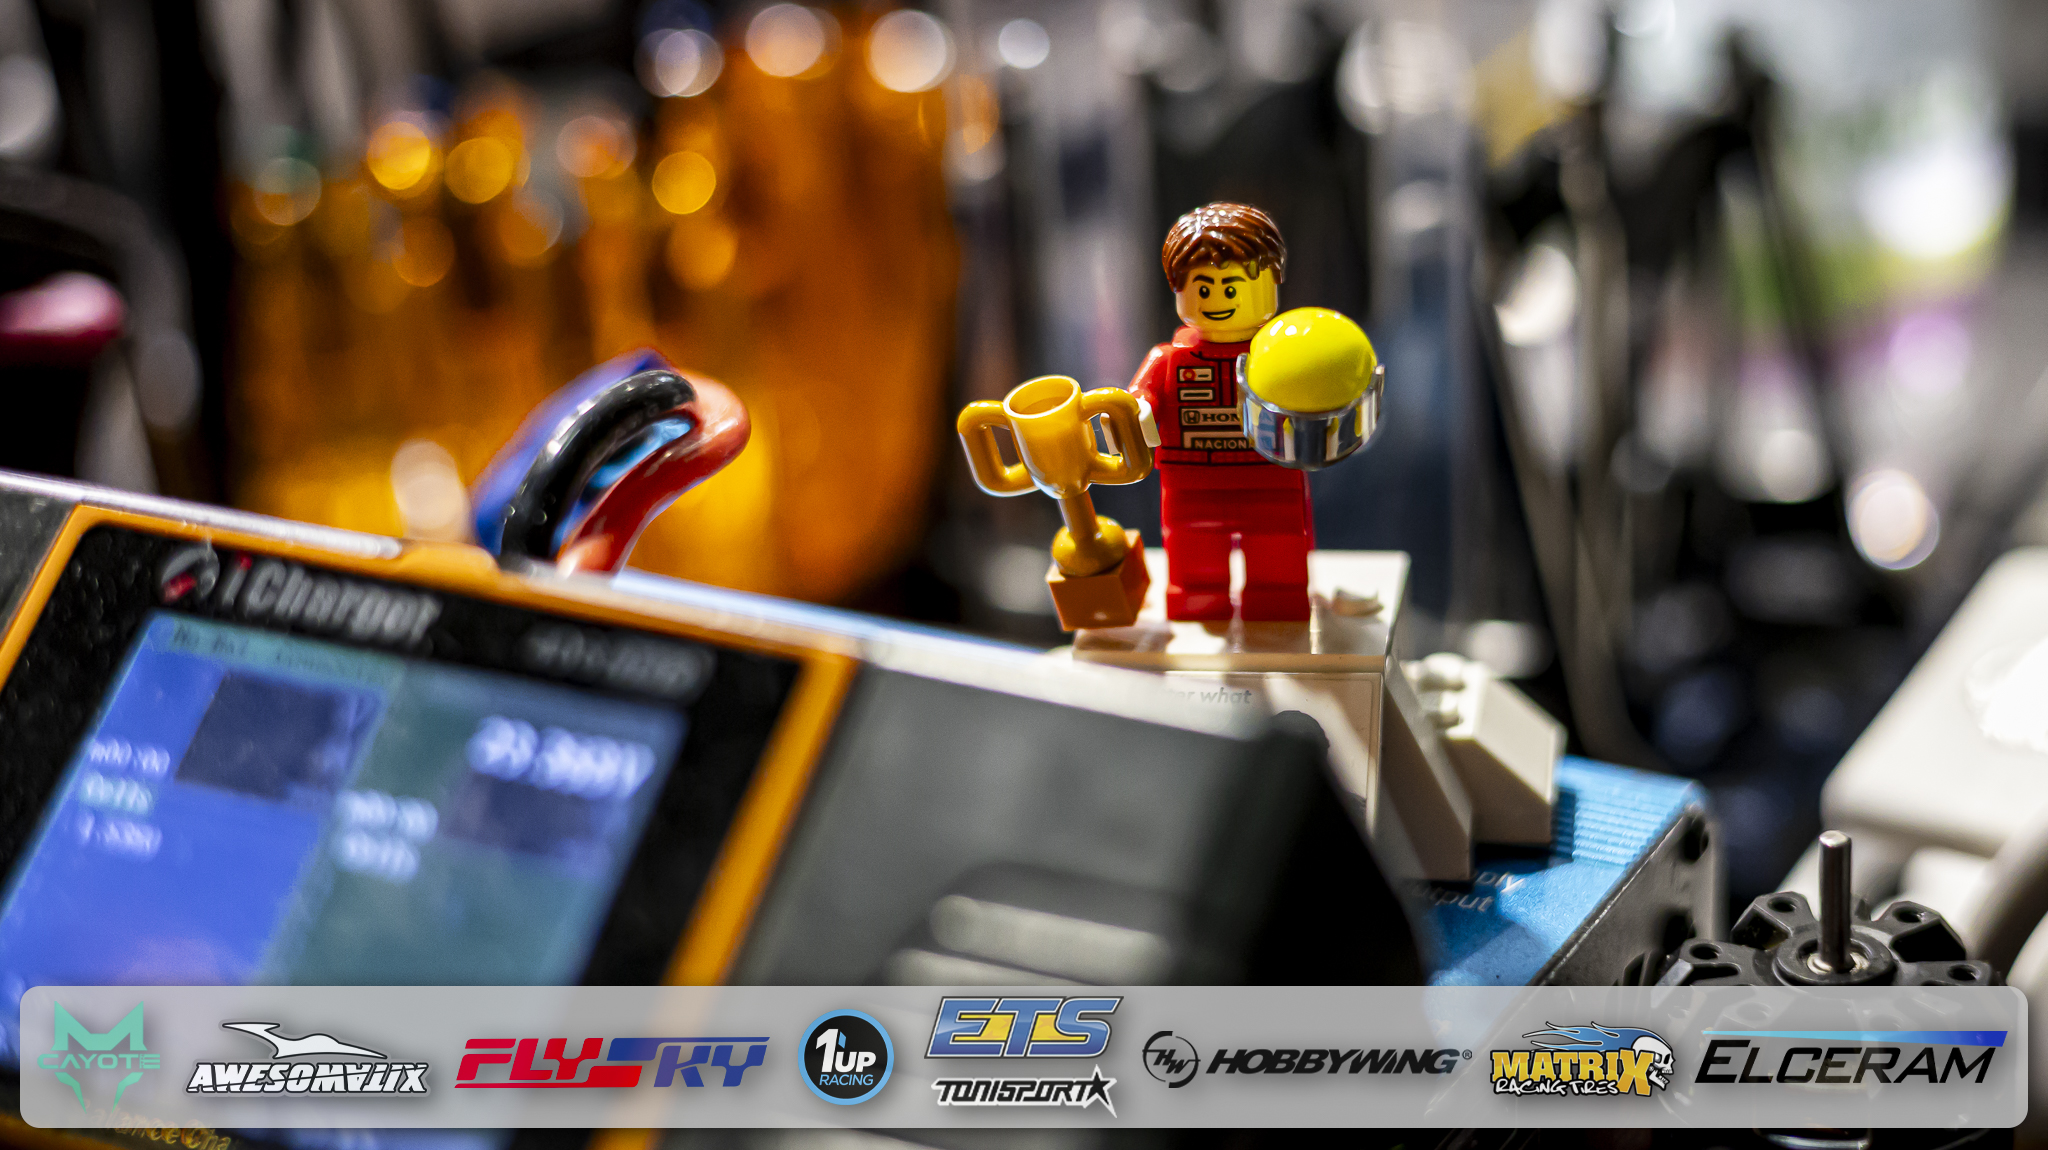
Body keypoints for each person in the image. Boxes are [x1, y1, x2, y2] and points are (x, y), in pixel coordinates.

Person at [1125, 202, 1312, 622]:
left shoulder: (1283, 353)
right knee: (1194, 550)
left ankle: (1278, 597)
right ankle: (1198, 598)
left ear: (1271, 282)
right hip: (1192, 482)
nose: (1217, 301)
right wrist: (1139, 410)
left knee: (1277, 545)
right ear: (1179, 288)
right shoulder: (1168, 359)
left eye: (1231, 289)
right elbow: (1140, 396)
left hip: (1269, 475)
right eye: (1203, 289)